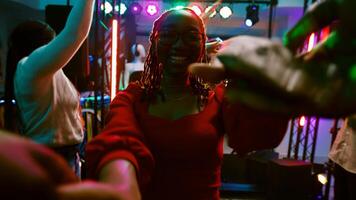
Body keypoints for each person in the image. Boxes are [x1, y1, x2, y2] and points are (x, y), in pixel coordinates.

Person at [86, 8, 289, 200]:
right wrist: (121, 186)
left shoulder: (217, 100)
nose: (179, 44)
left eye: (191, 36)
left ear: (202, 44)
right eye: (168, 35)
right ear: (155, 42)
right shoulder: (130, 100)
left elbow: (254, 137)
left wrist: (278, 96)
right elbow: (119, 142)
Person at [4, 0, 95, 177]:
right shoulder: (29, 65)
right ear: (40, 45)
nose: (55, 47)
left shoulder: (44, 72)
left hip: (63, 156)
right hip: (51, 160)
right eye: (52, 43)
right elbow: (75, 34)